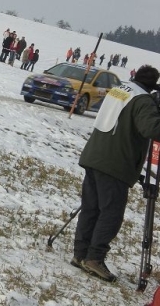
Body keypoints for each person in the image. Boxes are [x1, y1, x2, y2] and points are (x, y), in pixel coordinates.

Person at [71, 65, 160, 283]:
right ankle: (94, 258)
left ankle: (80, 254)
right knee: (111, 213)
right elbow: (152, 130)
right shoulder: (142, 100)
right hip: (116, 163)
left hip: (94, 155)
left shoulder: (119, 89)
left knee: (91, 208)